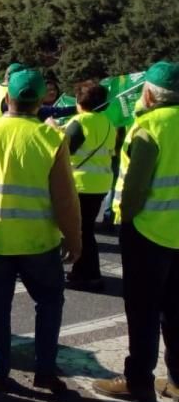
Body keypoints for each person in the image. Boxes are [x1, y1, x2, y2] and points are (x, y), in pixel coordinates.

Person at [0, 68, 80, 394]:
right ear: (41, 100)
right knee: (49, 302)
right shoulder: (50, 138)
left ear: (7, 97)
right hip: (38, 240)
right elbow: (65, 199)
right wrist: (75, 239)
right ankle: (44, 371)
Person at [93, 62, 179, 402]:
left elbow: (133, 190)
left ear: (148, 93)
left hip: (148, 232)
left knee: (143, 310)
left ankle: (139, 380)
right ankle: (176, 380)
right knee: (176, 310)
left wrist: (124, 219)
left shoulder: (150, 126)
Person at [64, 81, 116, 291]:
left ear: (79, 101)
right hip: (100, 183)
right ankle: (84, 272)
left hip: (80, 183)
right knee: (85, 230)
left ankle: (88, 274)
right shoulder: (107, 123)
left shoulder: (79, 122)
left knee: (80, 231)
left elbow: (64, 152)